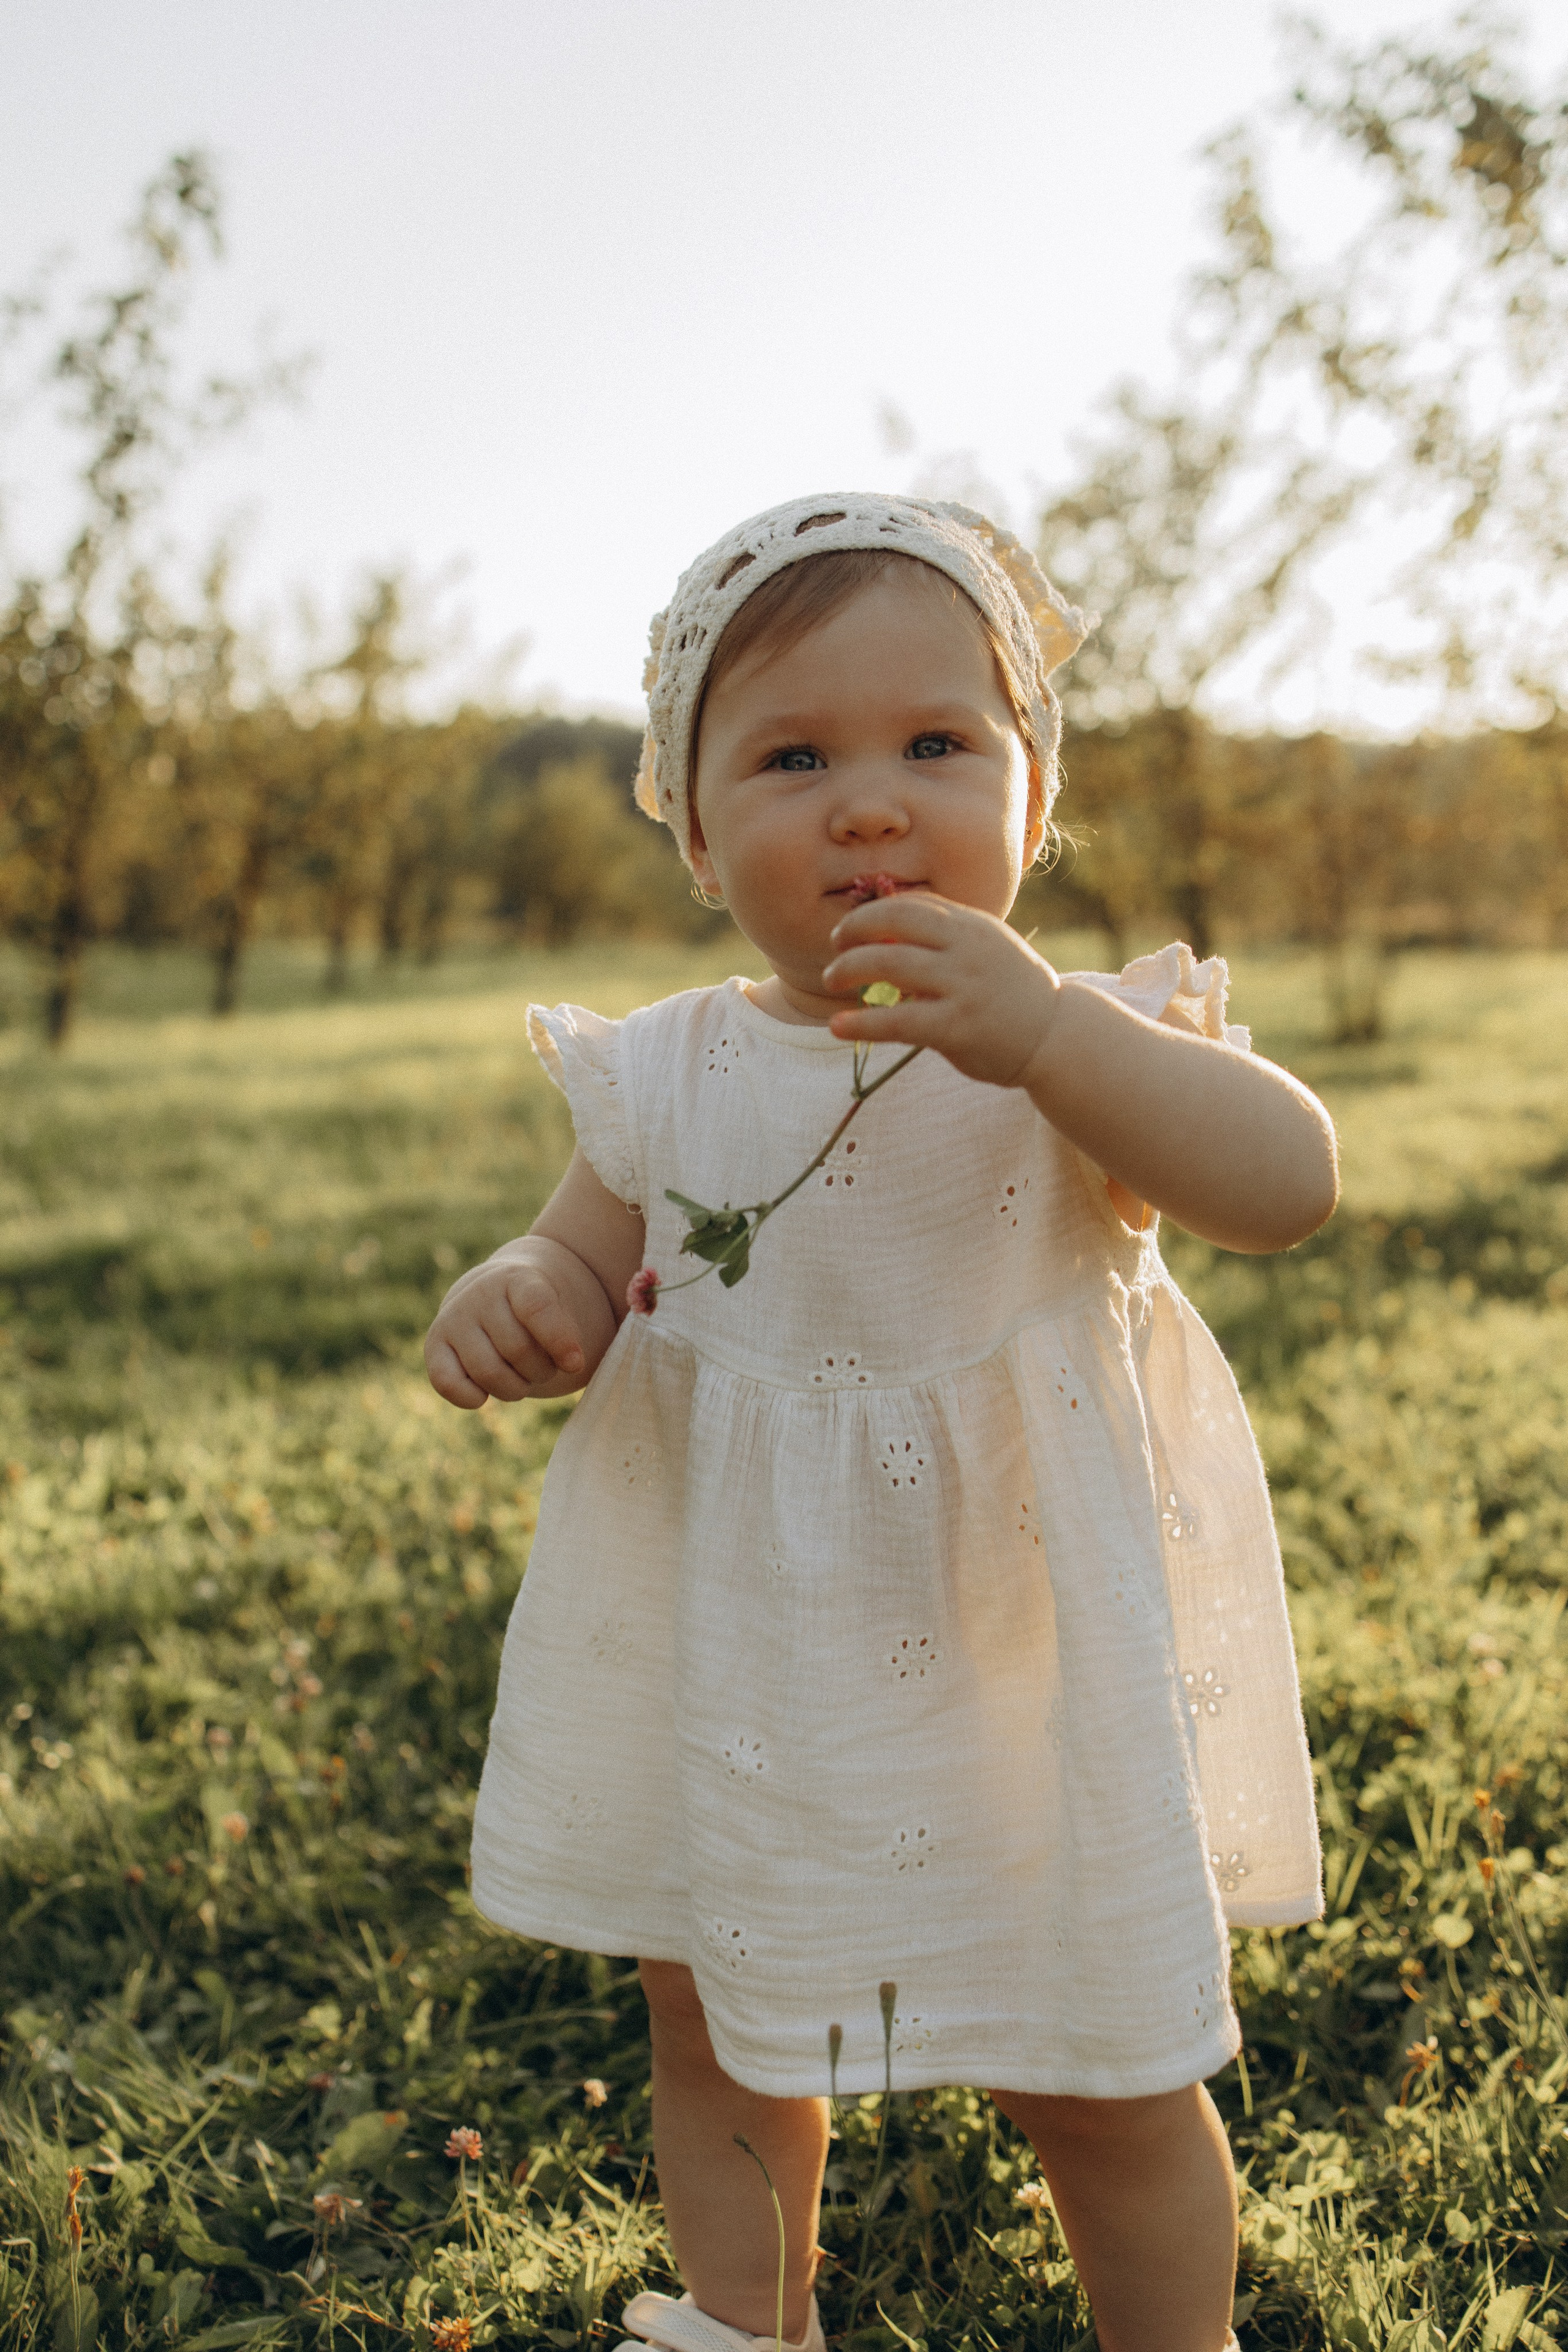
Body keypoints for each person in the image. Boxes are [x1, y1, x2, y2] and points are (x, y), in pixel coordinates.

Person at [424, 494, 1340, 2352]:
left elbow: (1288, 1184)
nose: (869, 806)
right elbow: (582, 1259)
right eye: (793, 759)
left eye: (938, 745)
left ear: (1032, 790)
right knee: (716, 2015)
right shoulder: (670, 1069)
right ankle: (746, 2318)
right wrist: (526, 1297)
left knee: (1093, 2062)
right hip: (748, 1660)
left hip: (1017, 1669)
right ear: (695, 833)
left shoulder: (1089, 1044)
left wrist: (1056, 1040)